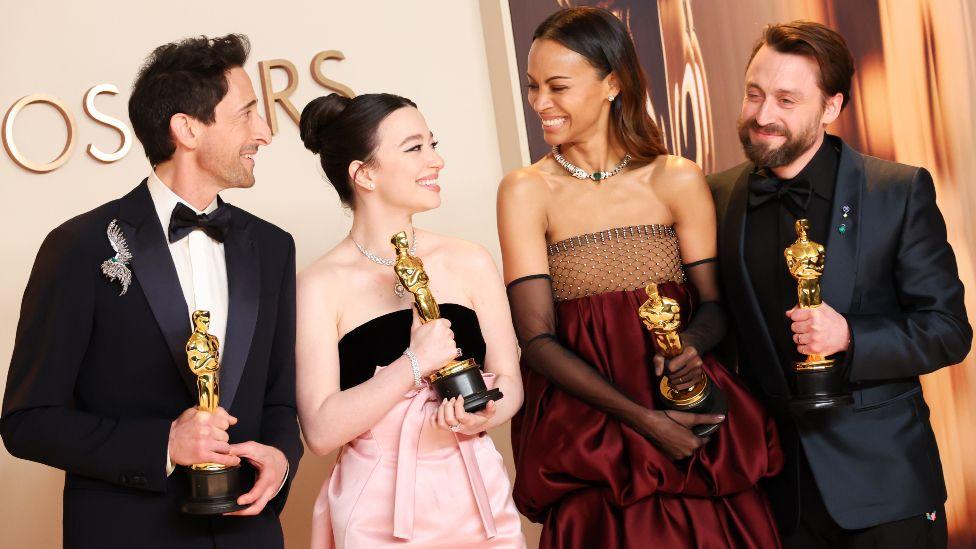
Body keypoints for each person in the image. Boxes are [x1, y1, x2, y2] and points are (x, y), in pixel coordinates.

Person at [0, 34, 302, 549]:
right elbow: (27, 421)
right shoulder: (77, 246)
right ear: (186, 128)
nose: (265, 132)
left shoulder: (273, 247)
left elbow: (277, 399)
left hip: (248, 535)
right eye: (247, 114)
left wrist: (280, 456)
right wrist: (163, 444)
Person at [497, 7, 782, 548]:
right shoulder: (525, 190)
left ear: (613, 83)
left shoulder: (674, 177)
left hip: (690, 413)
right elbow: (535, 340)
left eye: (557, 87)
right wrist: (646, 423)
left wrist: (689, 348)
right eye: (533, 87)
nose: (539, 103)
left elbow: (715, 306)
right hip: (593, 431)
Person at [708, 20, 972, 549]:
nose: (763, 116)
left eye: (786, 100)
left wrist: (850, 336)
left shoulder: (896, 190)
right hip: (772, 494)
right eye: (755, 94)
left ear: (831, 107)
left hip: (886, 490)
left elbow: (947, 331)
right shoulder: (715, 196)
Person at [296, 92, 526, 548]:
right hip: (377, 507)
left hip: (477, 495)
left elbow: (512, 380)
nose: (436, 160)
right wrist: (414, 364)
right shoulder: (319, 285)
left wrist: (483, 415)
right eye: (415, 148)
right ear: (364, 173)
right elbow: (321, 432)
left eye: (432, 144)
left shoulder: (470, 260)